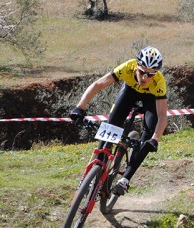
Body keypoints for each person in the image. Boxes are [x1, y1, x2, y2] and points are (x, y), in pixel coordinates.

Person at [69, 46, 168, 196]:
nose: (144, 78)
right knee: (111, 125)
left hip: (150, 100)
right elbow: (99, 84)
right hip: (129, 93)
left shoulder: (159, 82)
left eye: (150, 74)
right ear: (136, 66)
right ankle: (96, 169)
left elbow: (162, 115)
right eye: (141, 72)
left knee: (147, 136)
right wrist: (80, 107)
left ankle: (125, 179)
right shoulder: (127, 67)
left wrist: (155, 139)